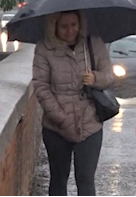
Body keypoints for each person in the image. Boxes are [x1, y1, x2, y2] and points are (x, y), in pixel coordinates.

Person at [32, 10, 113, 196]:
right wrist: (62, 118)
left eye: (74, 25)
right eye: (64, 26)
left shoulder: (93, 44)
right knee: (58, 178)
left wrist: (95, 78)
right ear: (55, 26)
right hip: (56, 126)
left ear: (80, 24)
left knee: (85, 180)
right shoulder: (45, 49)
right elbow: (41, 86)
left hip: (89, 123)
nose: (70, 31)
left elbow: (109, 76)